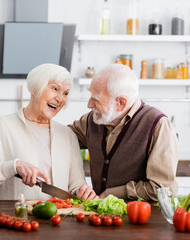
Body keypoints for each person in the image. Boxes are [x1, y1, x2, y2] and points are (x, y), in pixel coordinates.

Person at [0, 63, 98, 201]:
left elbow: (76, 184)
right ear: (35, 88)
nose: (60, 98)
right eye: (55, 89)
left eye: (65, 93)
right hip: (16, 220)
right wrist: (13, 166)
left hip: (59, 220)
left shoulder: (68, 135)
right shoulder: (1, 127)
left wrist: (82, 191)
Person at [69, 64, 179, 201]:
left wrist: (111, 194)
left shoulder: (158, 125)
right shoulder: (92, 120)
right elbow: (62, 138)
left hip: (141, 218)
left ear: (121, 103)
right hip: (100, 217)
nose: (89, 104)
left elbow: (161, 188)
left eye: (96, 99)